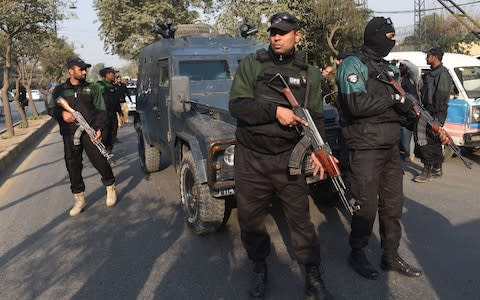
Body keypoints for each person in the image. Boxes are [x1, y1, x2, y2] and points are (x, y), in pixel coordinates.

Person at [229, 12, 330, 299]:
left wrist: (320, 151)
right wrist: (275, 112)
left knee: (300, 219)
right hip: (252, 158)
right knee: (250, 219)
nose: (276, 36)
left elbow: (316, 119)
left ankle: (312, 276)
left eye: (283, 32)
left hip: (289, 158)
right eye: (273, 31)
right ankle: (259, 268)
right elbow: (237, 106)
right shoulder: (252, 64)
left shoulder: (308, 73)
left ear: (297, 35)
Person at [335, 17, 423, 280]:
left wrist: (410, 113)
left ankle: (390, 255)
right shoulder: (353, 64)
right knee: (365, 206)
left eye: (394, 36)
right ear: (374, 35)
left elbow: (396, 109)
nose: (392, 41)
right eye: (388, 36)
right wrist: (395, 99)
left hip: (389, 148)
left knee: (393, 206)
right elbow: (356, 105)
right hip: (364, 147)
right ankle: (357, 253)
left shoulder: (389, 70)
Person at [47, 58, 117, 217]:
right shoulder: (59, 90)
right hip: (69, 133)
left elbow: (102, 111)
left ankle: (110, 186)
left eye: (85, 69)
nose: (85, 72)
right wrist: (61, 113)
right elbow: (51, 109)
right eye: (81, 69)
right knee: (73, 166)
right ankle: (79, 199)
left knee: (100, 160)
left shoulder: (93, 88)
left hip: (90, 131)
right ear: (70, 71)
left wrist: (99, 129)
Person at [414, 47, 453, 183]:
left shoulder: (442, 74)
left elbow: (441, 98)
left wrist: (435, 119)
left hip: (435, 112)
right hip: (427, 111)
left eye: (428, 56)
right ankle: (437, 167)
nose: (426, 58)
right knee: (434, 139)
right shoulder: (431, 74)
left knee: (425, 140)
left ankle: (427, 169)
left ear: (435, 57)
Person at [95, 67, 124, 153]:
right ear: (107, 75)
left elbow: (116, 102)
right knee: (105, 135)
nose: (114, 75)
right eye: (113, 74)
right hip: (103, 115)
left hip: (112, 114)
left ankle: (108, 151)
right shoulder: (100, 86)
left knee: (113, 134)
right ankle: (102, 153)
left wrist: (120, 113)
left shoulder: (113, 86)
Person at [398, 60, 420, 162]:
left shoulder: (411, 78)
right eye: (400, 65)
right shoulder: (398, 78)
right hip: (401, 110)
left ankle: (410, 154)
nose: (400, 67)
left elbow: (415, 69)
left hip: (411, 110)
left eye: (402, 66)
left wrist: (405, 61)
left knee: (408, 134)